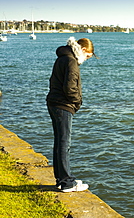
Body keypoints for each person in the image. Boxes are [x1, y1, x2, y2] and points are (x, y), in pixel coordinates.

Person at [46, 37, 96, 192]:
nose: (86, 60)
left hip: (54, 103)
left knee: (59, 143)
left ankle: (62, 180)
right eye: (88, 56)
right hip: (63, 106)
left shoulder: (62, 58)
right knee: (64, 144)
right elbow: (70, 88)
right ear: (83, 50)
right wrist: (77, 102)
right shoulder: (71, 61)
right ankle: (67, 183)